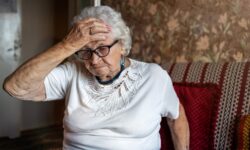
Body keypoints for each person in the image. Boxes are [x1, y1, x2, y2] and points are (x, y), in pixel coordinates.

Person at [3, 6, 189, 150]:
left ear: (123, 45)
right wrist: (67, 45)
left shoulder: (153, 76)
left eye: (102, 49)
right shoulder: (72, 72)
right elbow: (14, 87)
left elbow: (176, 116)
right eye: (85, 51)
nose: (93, 60)